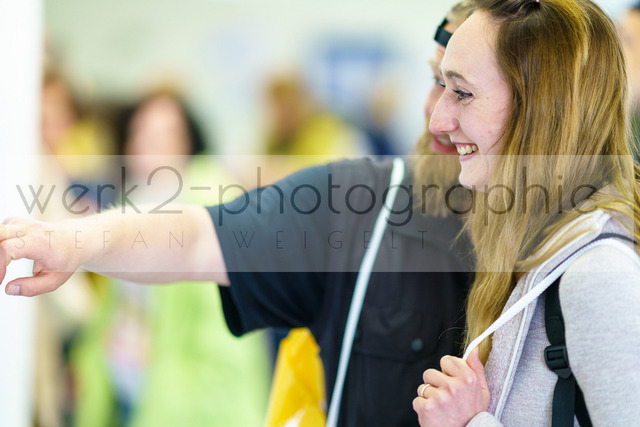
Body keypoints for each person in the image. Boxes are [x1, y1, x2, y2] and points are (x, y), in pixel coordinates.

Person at [0, 2, 475, 425]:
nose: (434, 114)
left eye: (463, 91)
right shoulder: (358, 198)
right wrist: (74, 241)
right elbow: (197, 236)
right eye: (435, 80)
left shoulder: (532, 256)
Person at [413, 0, 640, 425]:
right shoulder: (539, 246)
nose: (438, 121)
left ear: (542, 106)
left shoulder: (599, 275)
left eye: (462, 92)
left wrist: (469, 422)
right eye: (442, 86)